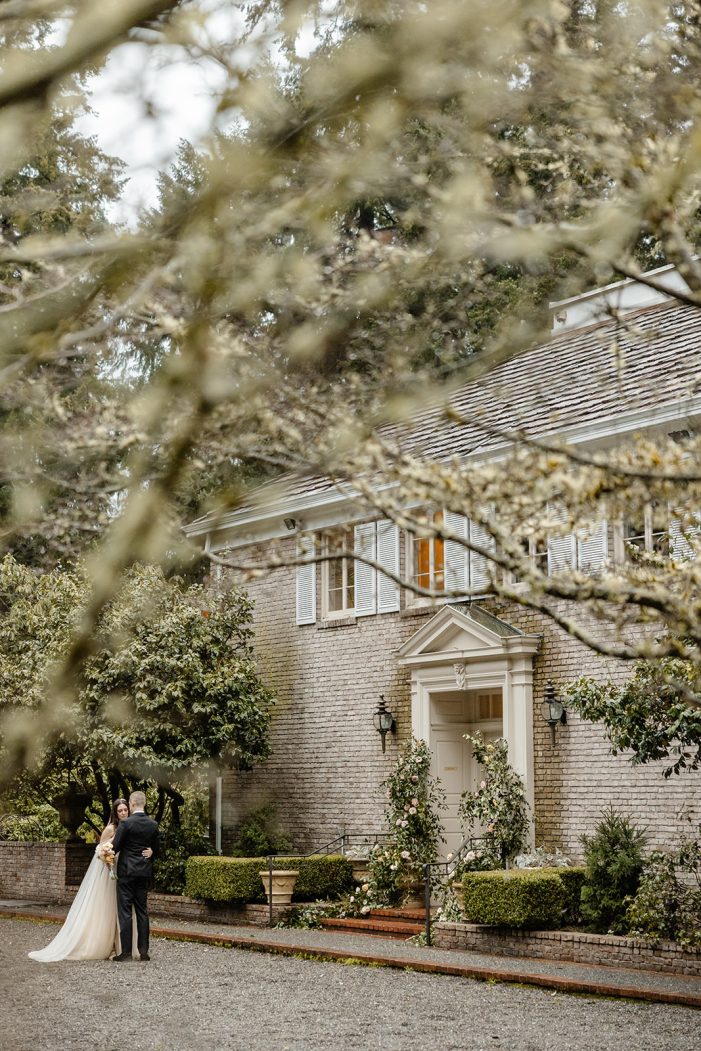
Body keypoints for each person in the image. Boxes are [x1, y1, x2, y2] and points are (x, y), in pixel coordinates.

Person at [28, 797, 151, 962]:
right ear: (115, 813)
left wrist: (150, 851)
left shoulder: (131, 826)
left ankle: (124, 947)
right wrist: (106, 856)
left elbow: (139, 845)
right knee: (110, 910)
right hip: (111, 872)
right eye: (120, 811)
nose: (123, 813)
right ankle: (107, 945)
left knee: (124, 911)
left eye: (125, 810)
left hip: (126, 872)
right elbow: (101, 849)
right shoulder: (110, 829)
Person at [111, 790, 160, 962]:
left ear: (132, 804)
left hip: (126, 872)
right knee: (142, 910)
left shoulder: (126, 824)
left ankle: (125, 952)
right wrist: (152, 852)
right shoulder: (153, 824)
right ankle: (143, 951)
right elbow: (157, 850)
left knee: (125, 911)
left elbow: (115, 847)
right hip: (143, 872)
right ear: (144, 804)